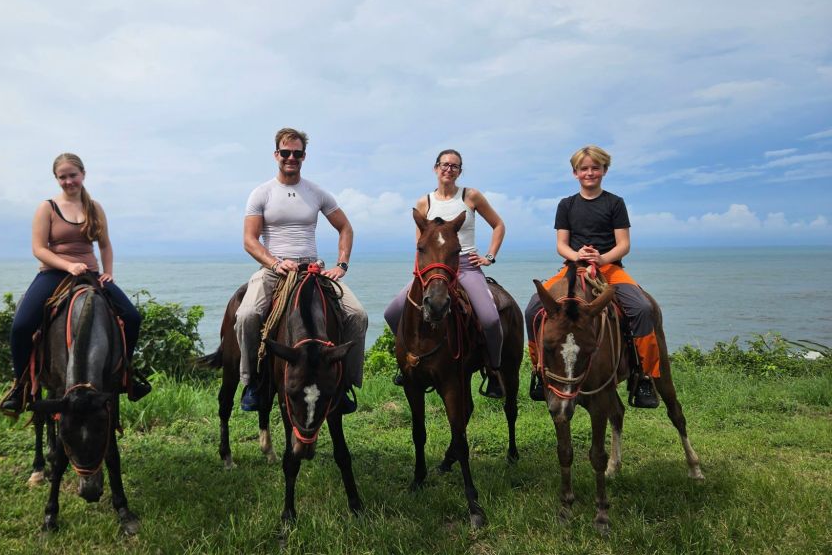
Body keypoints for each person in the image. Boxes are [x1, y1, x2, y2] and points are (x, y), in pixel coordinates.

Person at [0, 152, 150, 417]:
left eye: (73, 175)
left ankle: (125, 375)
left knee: (133, 317)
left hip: (90, 273)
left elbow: (105, 245)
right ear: (56, 179)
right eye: (62, 177)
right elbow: (38, 248)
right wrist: (68, 266)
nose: (68, 181)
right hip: (54, 273)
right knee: (21, 326)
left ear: (83, 174)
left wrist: (108, 272)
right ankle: (20, 387)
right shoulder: (47, 208)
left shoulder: (95, 207)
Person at [235, 128, 369, 412]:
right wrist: (274, 262)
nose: (291, 158)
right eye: (285, 152)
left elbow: (345, 227)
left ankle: (346, 384)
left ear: (304, 156)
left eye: (297, 153)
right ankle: (252, 383)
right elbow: (249, 239)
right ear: (276, 155)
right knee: (247, 315)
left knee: (358, 315)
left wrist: (341, 264)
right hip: (275, 269)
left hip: (312, 269)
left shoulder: (316, 192)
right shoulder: (262, 193)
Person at [525, 145, 660, 408]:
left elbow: (624, 244)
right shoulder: (566, 205)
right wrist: (577, 255)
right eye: (584, 168)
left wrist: (602, 258)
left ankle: (644, 375)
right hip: (573, 268)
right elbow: (561, 245)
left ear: (604, 170)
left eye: (595, 168)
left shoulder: (615, 203)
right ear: (575, 173)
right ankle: (539, 370)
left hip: (609, 268)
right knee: (532, 309)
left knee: (642, 308)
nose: (589, 173)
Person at [383, 149, 507, 395]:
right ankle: (407, 361)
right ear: (436, 168)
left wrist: (489, 257)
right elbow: (420, 245)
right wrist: (419, 273)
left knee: (490, 319)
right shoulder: (424, 203)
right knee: (392, 312)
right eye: (445, 164)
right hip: (432, 269)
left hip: (465, 266)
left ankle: (494, 370)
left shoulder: (471, 196)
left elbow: (498, 225)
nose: (449, 169)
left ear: (460, 171)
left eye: (454, 166)